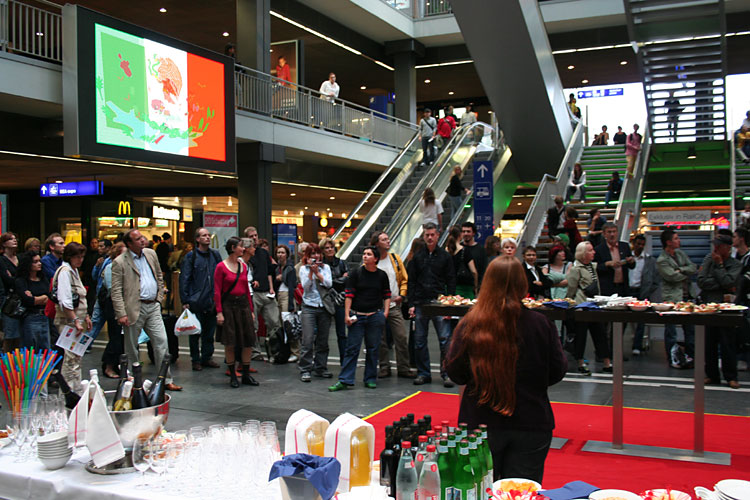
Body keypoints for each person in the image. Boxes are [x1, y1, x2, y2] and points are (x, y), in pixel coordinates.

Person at [445, 256, 567, 483]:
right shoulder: (541, 323)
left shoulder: (471, 323)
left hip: (481, 422)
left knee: (479, 489)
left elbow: (455, 372)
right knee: (522, 491)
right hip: (531, 420)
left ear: (487, 284)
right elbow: (557, 371)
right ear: (523, 285)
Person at [111, 229, 182, 391]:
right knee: (132, 347)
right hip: (133, 308)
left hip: (153, 306)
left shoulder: (150, 254)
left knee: (162, 342)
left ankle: (165, 379)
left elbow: (158, 275)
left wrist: (158, 297)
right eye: (138, 239)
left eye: (142, 237)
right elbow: (116, 291)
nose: (142, 240)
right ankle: (134, 381)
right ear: (129, 244)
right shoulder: (120, 262)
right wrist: (121, 313)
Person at [329, 246, 390, 391]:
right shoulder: (356, 273)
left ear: (375, 259)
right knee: (352, 348)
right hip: (358, 315)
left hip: (375, 315)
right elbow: (349, 295)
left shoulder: (381, 275)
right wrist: (346, 314)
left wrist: (385, 313)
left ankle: (370, 378)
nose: (365, 256)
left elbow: (387, 295)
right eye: (364, 254)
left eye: (369, 254)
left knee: (373, 348)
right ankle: (345, 379)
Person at [407, 223, 456, 387]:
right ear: (423, 236)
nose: (429, 237)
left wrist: (450, 304)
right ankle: (423, 373)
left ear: (437, 235)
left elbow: (451, 280)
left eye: (432, 234)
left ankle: (446, 373)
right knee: (419, 340)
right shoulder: (417, 257)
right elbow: (412, 281)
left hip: (440, 303)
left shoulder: (445, 256)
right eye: (427, 235)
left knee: (445, 340)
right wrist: (411, 303)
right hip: (421, 302)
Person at [697, 233, 742, 389]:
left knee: (727, 343)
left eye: (719, 245)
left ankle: (731, 376)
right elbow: (701, 281)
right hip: (709, 306)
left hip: (725, 308)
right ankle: (712, 374)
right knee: (709, 343)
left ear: (728, 247)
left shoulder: (735, 264)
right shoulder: (709, 259)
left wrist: (720, 267)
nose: (715, 248)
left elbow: (730, 281)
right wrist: (721, 282)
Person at [214, 237, 258, 388]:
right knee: (230, 342)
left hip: (243, 305)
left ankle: (246, 374)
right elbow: (217, 292)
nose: (243, 249)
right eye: (240, 246)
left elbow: (246, 290)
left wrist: (251, 310)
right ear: (233, 248)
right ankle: (233, 374)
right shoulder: (221, 267)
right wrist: (219, 312)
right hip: (229, 306)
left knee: (248, 341)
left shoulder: (243, 266)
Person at [371, 231, 414, 379]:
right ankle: (384, 367)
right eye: (384, 240)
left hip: (395, 305)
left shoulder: (395, 259)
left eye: (388, 239)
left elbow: (404, 279)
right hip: (378, 306)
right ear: (377, 243)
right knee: (381, 339)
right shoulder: (373, 261)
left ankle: (404, 367)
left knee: (401, 336)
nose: (388, 241)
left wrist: (402, 295)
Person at [51, 242, 92, 394]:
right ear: (70, 257)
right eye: (77, 257)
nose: (80, 260)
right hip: (69, 322)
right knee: (70, 359)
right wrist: (75, 320)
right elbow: (65, 300)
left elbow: (79, 298)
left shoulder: (73, 271)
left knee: (76, 357)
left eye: (82, 257)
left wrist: (85, 316)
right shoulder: (65, 272)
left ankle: (75, 390)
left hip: (77, 320)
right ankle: (68, 394)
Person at [566, 241, 612, 375]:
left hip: (594, 305)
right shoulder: (576, 269)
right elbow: (571, 289)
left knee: (600, 334)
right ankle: (580, 362)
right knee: (581, 335)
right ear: (583, 253)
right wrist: (571, 303)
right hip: (582, 305)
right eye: (590, 251)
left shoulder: (593, 266)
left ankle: (606, 361)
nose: (594, 252)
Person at [180, 227, 222, 371]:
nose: (208, 238)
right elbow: (185, 278)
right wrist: (185, 299)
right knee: (194, 331)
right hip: (196, 300)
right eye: (204, 236)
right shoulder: (191, 257)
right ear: (197, 239)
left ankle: (207, 357)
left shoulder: (215, 255)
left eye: (209, 235)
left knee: (209, 331)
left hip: (211, 299)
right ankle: (195, 359)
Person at [656, 229, 697, 367]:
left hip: (687, 297)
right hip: (672, 299)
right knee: (671, 331)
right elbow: (672, 277)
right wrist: (684, 272)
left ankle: (691, 356)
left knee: (690, 329)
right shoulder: (662, 260)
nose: (679, 240)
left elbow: (693, 267)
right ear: (668, 242)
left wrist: (681, 270)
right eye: (676, 238)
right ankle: (673, 358)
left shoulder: (680, 254)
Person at [298, 243, 334, 382]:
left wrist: (318, 272)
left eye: (317, 253)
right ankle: (305, 369)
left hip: (323, 306)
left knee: (323, 340)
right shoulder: (303, 269)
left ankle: (320, 367)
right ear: (307, 256)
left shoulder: (326, 268)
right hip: (309, 306)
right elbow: (306, 287)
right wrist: (311, 272)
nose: (316, 256)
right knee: (307, 339)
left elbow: (329, 283)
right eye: (312, 254)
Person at [244, 226, 281, 361]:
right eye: (251, 236)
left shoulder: (263, 253)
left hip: (267, 292)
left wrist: (271, 288)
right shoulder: (246, 255)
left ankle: (274, 350)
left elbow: (269, 271)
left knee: (274, 322)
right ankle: (255, 352)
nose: (254, 238)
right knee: (253, 324)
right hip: (253, 293)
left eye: (256, 235)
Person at [629, 234, 661, 355]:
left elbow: (655, 279)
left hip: (642, 291)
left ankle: (637, 345)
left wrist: (648, 290)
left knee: (640, 321)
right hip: (628, 290)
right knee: (623, 319)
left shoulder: (650, 260)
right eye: (638, 244)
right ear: (634, 244)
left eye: (642, 244)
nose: (640, 246)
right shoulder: (627, 258)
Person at [99, 242, 127, 379]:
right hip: (114, 306)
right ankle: (108, 365)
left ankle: (117, 365)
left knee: (123, 338)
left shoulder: (126, 268)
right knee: (115, 337)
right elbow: (113, 290)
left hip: (125, 304)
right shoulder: (110, 268)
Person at [320, 237, 349, 364]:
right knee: (323, 333)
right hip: (326, 300)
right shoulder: (321, 265)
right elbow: (325, 282)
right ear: (322, 250)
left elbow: (347, 279)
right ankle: (321, 363)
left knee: (341, 333)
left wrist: (331, 281)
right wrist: (339, 280)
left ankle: (344, 361)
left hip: (340, 300)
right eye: (327, 248)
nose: (330, 249)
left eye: (331, 247)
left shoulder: (342, 263)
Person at [15, 251, 50, 350]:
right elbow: (28, 301)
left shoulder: (42, 278)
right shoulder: (21, 280)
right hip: (30, 317)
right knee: (30, 349)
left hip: (44, 316)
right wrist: (42, 298)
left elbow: (49, 296)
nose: (39, 263)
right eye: (35, 262)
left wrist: (36, 298)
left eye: (39, 261)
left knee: (45, 348)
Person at [594, 223, 635, 297]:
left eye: (614, 231)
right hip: (607, 288)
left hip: (623, 287)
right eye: (609, 232)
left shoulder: (624, 246)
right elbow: (595, 268)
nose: (612, 234)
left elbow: (632, 266)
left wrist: (631, 261)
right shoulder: (599, 249)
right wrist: (607, 264)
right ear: (604, 234)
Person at [275, 244, 299, 361]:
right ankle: (286, 351)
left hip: (287, 296)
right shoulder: (278, 267)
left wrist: (290, 304)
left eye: (282, 252)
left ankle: (295, 352)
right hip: (279, 296)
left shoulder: (290, 268)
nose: (280, 255)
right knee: (282, 325)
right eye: (278, 252)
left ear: (287, 254)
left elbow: (292, 285)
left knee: (289, 325)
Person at [1, 232, 21, 351]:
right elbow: (7, 280)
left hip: (22, 299)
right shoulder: (2, 261)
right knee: (10, 334)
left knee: (20, 334)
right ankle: (6, 362)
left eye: (15, 238)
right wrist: (16, 280)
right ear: (4, 244)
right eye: (11, 239)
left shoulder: (20, 258)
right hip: (9, 301)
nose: (15, 241)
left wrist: (14, 278)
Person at [448, 228, 477, 300]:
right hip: (465, 289)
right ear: (460, 235)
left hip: (449, 288)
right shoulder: (465, 251)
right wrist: (476, 286)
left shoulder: (445, 251)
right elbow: (473, 271)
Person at [461, 222, 488, 289]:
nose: (466, 233)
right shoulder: (458, 248)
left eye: (468, 231)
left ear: (473, 233)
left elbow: (483, 269)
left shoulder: (481, 249)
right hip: (460, 285)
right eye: (464, 231)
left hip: (476, 287)